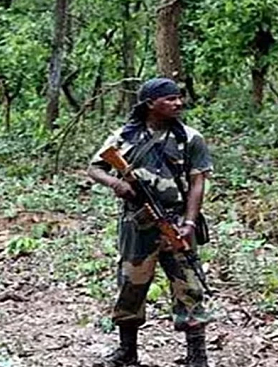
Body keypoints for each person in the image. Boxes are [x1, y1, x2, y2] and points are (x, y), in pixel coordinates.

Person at [87, 78, 213, 367]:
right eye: (170, 99)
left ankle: (197, 356)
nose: (178, 103)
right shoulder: (124, 137)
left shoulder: (190, 138)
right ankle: (127, 351)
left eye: (179, 97)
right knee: (131, 285)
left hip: (176, 221)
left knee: (189, 285)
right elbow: (95, 168)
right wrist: (116, 184)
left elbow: (197, 183)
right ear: (150, 104)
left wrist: (190, 223)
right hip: (137, 224)